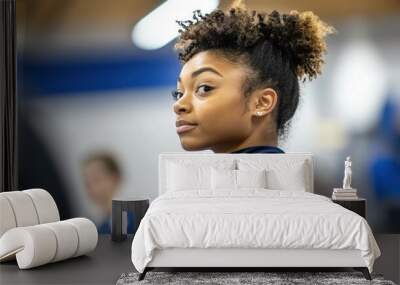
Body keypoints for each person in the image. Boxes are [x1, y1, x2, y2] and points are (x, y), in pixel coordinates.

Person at [171, 0, 335, 154]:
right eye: (179, 94)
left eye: (204, 88)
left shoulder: (276, 182)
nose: (179, 105)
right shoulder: (223, 180)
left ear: (262, 102)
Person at [81, 152, 134, 234]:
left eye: (97, 179)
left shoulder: (137, 221)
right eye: (88, 183)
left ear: (115, 178)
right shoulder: (100, 229)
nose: (93, 188)